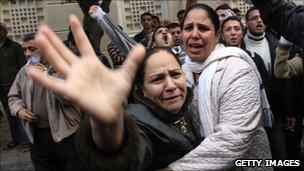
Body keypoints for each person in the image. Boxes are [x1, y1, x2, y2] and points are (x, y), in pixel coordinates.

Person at [26, 15, 200, 170]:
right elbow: (126, 159)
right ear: (141, 90)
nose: (170, 85)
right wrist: (108, 126)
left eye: (175, 74)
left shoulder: (190, 106)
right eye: (157, 79)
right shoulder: (138, 121)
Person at [167, 4, 272, 170]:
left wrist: (173, 169)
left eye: (203, 28)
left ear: (217, 36)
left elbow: (232, 139)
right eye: (188, 28)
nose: (194, 34)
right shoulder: (182, 71)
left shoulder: (237, 69)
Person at [8, 32, 84, 170]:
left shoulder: (63, 67)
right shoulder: (25, 71)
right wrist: (19, 110)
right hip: (37, 135)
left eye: (32, 49)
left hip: (65, 133)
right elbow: (13, 96)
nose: (27, 54)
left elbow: (69, 98)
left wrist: (47, 77)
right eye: (24, 49)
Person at [244, 7, 296, 161]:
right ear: (246, 23)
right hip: (250, 113)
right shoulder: (240, 47)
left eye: (261, 17)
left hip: (276, 111)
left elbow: (285, 80)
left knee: (280, 154)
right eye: (254, 18)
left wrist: (289, 111)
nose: (259, 21)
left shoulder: (277, 45)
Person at [0, 22, 27, 152]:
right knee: (9, 115)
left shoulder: (15, 47)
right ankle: (16, 139)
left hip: (13, 85)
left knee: (19, 112)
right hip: (1, 86)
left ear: (5, 32)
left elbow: (23, 66)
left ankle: (25, 142)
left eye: (1, 30)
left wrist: (21, 83)